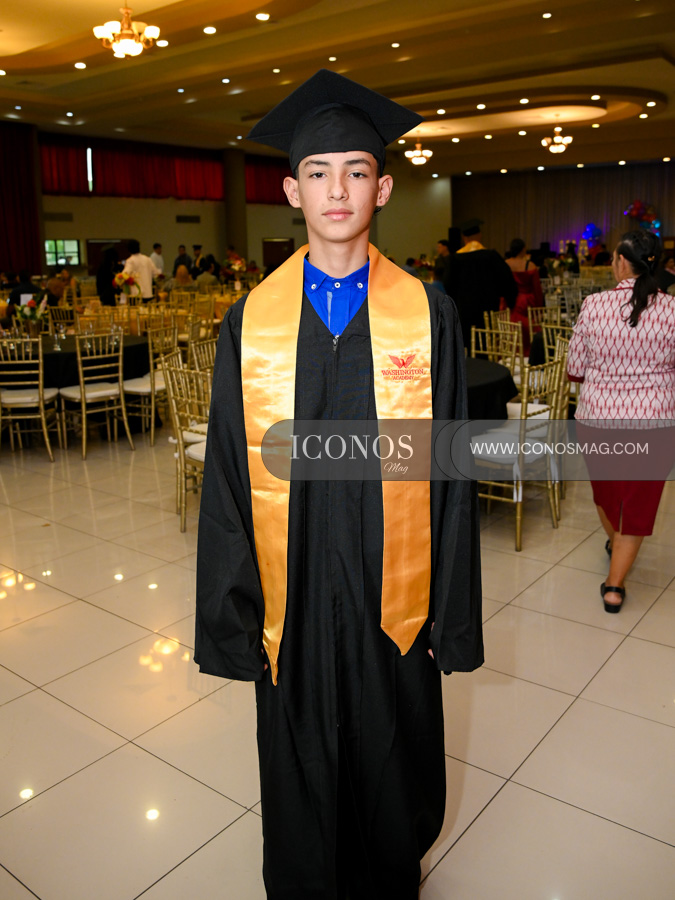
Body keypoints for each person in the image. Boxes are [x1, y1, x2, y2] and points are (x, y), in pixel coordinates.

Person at [195, 68, 483, 899]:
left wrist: (451, 611)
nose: (336, 189)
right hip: (290, 591)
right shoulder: (251, 321)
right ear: (291, 190)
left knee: (391, 738)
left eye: (355, 171)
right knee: (299, 746)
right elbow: (227, 471)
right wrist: (232, 612)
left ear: (381, 188)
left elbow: (449, 471)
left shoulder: (426, 313)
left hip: (392, 587)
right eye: (317, 173)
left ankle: (390, 874)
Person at [567, 230, 675, 613]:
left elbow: (575, 368)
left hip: (599, 419)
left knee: (607, 494)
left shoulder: (594, 305)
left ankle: (616, 567)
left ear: (621, 262)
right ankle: (615, 582)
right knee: (638, 502)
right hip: (654, 422)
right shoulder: (672, 310)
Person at [442, 219, 517, 347]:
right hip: (488, 308)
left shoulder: (454, 259)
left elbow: (448, 284)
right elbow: (507, 280)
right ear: (479, 235)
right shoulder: (491, 256)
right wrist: (508, 299)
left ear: (464, 237)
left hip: (464, 309)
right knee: (486, 343)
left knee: (467, 343)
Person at [505, 238, 543, 354]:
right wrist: (540, 309)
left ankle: (512, 352)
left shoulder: (506, 264)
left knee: (510, 326)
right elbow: (537, 289)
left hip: (510, 301)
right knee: (529, 328)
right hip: (527, 302)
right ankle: (528, 353)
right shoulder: (530, 265)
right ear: (523, 250)